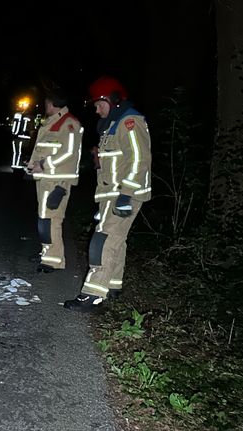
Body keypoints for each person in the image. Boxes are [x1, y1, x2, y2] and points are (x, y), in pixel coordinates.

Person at [64, 76, 152, 312]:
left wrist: (126, 194)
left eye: (99, 103)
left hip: (124, 195)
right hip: (110, 195)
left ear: (113, 100)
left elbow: (140, 160)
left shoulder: (130, 122)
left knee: (103, 242)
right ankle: (113, 286)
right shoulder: (111, 127)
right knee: (116, 241)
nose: (96, 109)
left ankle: (92, 295)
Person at [26, 89, 83, 272]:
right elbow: (47, 149)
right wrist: (34, 164)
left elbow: (69, 152)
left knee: (51, 219)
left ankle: (53, 260)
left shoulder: (69, 123)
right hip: (46, 179)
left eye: (46, 103)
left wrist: (43, 165)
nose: (45, 106)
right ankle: (47, 254)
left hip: (57, 181)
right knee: (45, 219)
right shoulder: (52, 123)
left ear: (51, 103)